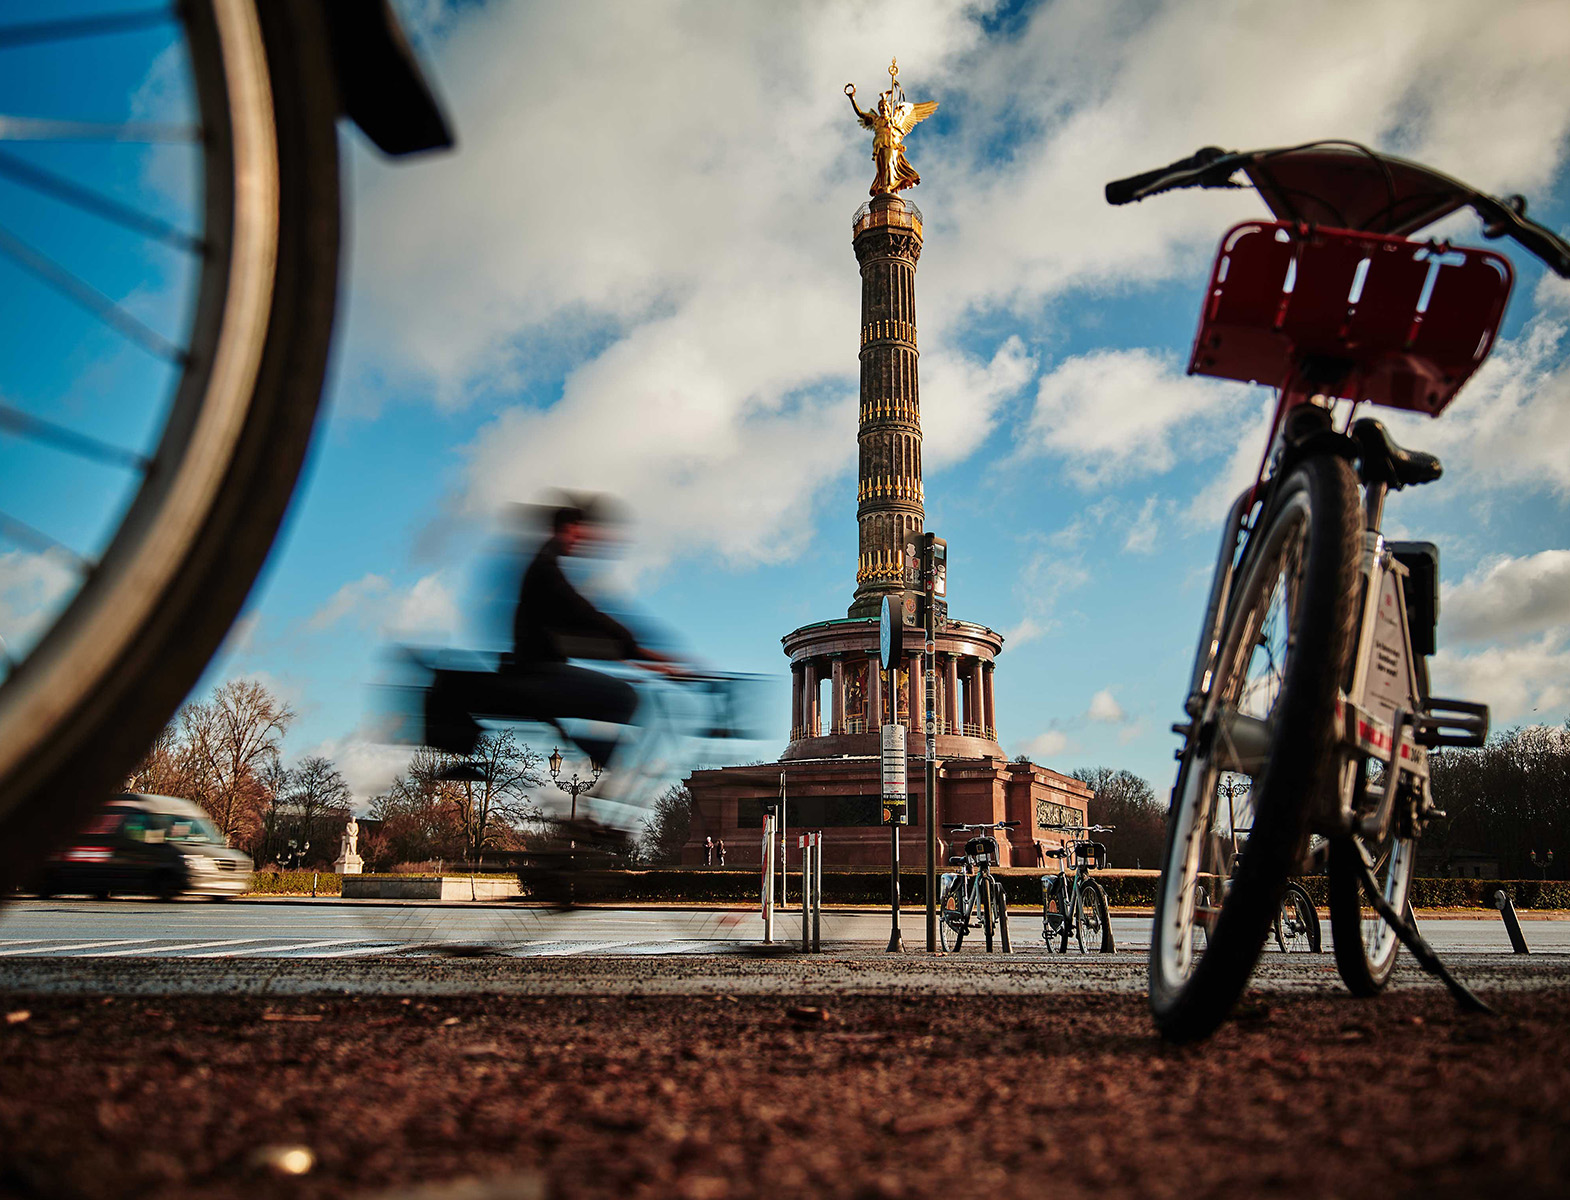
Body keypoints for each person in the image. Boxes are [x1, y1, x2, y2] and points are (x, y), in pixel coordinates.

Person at [422, 500, 686, 782]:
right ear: (568, 529)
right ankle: (608, 773)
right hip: (539, 674)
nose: (581, 541)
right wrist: (643, 653)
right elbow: (585, 615)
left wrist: (641, 660)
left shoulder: (543, 566)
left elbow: (581, 632)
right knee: (626, 697)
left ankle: (603, 764)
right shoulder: (546, 570)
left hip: (536, 670)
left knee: (617, 696)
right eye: (578, 533)